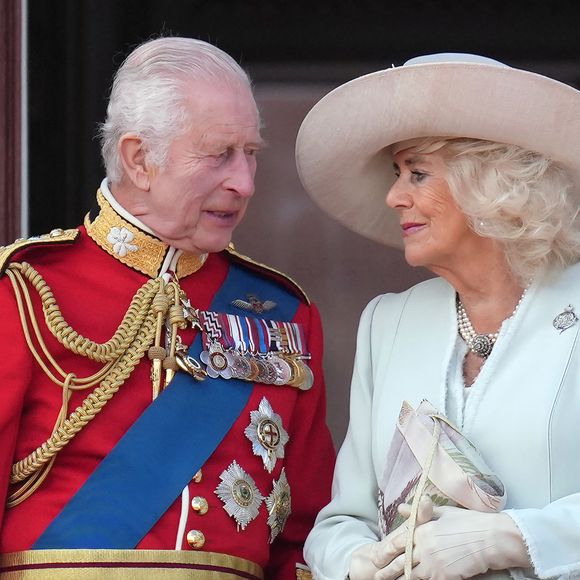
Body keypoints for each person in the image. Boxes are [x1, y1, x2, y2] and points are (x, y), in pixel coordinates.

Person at [0, 36, 334, 579]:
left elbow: (304, 535)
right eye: (219, 154)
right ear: (139, 159)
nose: (244, 183)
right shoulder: (24, 291)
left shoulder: (283, 315)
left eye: (251, 154)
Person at [295, 53, 580, 579]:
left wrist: (517, 539)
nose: (394, 196)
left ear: (492, 184)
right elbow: (341, 522)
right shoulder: (388, 322)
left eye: (417, 173)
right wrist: (356, 565)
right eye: (396, 173)